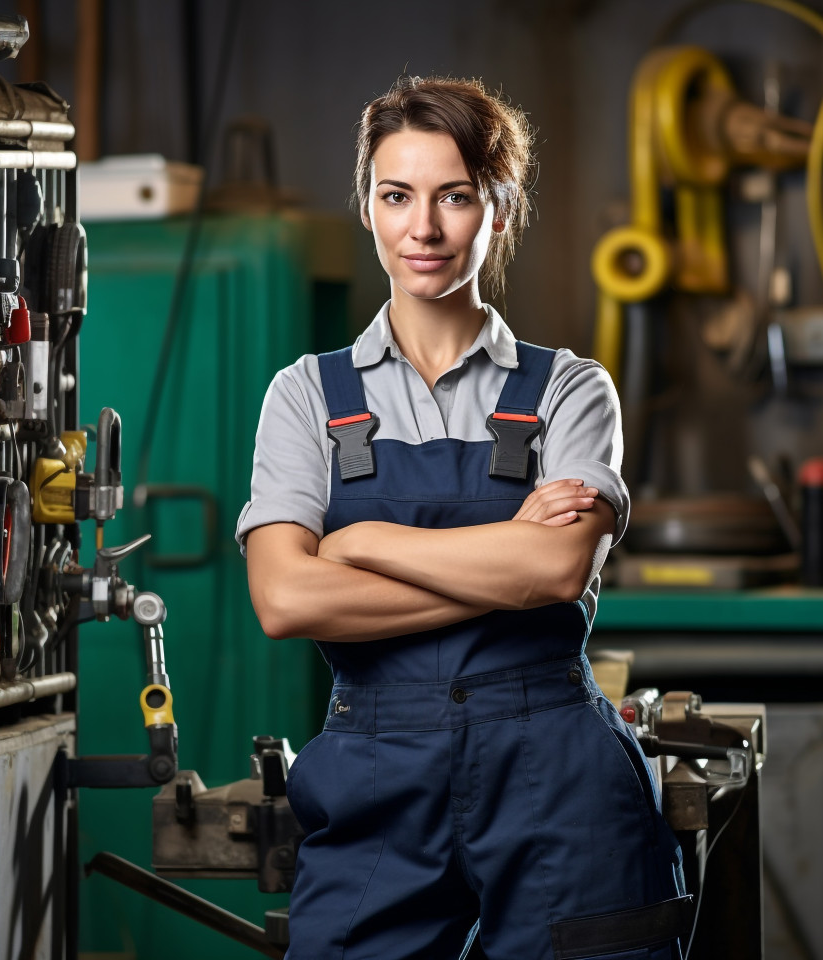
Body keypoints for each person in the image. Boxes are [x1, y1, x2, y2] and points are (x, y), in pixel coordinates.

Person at [237, 75, 688, 960]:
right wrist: (503, 567)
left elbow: (557, 573)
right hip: (377, 770)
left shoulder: (570, 388)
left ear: (500, 207)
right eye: (396, 195)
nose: (425, 228)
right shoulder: (304, 395)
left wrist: (363, 544)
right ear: (367, 207)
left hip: (556, 772)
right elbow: (286, 599)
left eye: (456, 196)